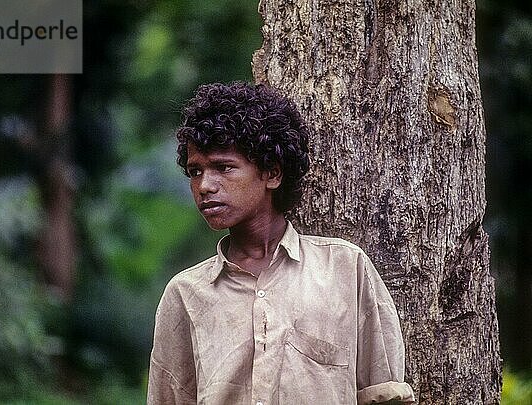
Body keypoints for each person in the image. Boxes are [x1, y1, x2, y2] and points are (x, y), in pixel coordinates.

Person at [147, 82, 415, 405]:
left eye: (223, 167)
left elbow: (385, 397)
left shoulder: (346, 271)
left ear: (272, 173)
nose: (204, 185)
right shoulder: (185, 295)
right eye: (195, 171)